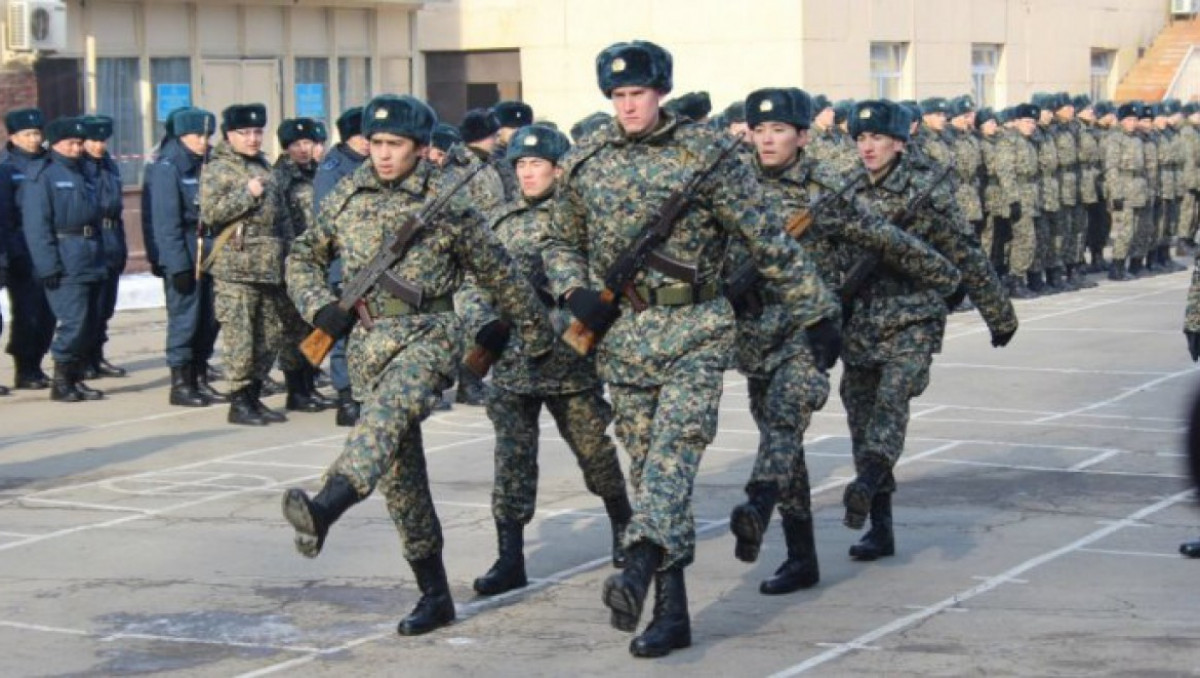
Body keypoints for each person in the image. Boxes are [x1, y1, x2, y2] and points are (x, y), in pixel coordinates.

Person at [540, 40, 839, 658]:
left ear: (661, 93)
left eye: (638, 94)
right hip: (622, 339)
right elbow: (558, 242)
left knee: (676, 451)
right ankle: (671, 613)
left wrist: (816, 314)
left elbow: (768, 242)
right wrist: (574, 292)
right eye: (618, 96)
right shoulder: (588, 158)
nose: (627, 106)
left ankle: (639, 562)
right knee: (651, 471)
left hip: (697, 328)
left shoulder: (707, 156)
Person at [281, 94, 554, 636]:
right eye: (376, 143)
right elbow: (303, 256)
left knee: (385, 417)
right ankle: (433, 593)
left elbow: (499, 273)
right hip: (368, 344)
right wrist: (321, 308)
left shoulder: (445, 202)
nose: (382, 155)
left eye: (395, 145)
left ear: (420, 148)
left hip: (431, 335)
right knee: (402, 478)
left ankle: (329, 503)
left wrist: (536, 333)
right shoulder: (347, 194)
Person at [726, 87, 961, 595]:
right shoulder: (734, 186)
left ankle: (765, 507)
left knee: (783, 427)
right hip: (754, 337)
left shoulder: (824, 192)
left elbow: (884, 238)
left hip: (807, 334)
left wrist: (945, 275)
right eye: (759, 129)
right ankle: (801, 555)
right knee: (782, 443)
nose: (767, 139)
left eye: (779, 130)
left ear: (803, 136)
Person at [841, 99, 1018, 561]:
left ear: (899, 142)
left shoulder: (927, 188)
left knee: (892, 398)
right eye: (861, 138)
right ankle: (879, 525)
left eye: (877, 138)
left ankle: (868, 476)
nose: (868, 147)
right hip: (860, 320)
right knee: (860, 414)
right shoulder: (847, 188)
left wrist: (997, 313)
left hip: (913, 315)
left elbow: (964, 253)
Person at [461, 123, 633, 596]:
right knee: (512, 463)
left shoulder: (579, 219)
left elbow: (603, 285)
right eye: (520, 164)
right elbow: (473, 284)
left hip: (570, 362)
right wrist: (482, 326)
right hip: (513, 364)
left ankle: (623, 525)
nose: (528, 173)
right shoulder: (496, 221)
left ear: (560, 169)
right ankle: (509, 558)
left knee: (595, 452)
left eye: (537, 164)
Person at [201, 103, 289, 426]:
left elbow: (281, 216)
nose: (253, 138)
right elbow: (211, 213)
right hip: (236, 268)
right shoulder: (219, 169)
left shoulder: (264, 165)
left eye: (257, 132)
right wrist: (246, 194)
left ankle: (254, 394)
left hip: (269, 266)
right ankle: (239, 402)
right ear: (229, 135)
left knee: (268, 335)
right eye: (245, 133)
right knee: (240, 336)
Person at [22, 117, 105, 402]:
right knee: (74, 322)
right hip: (65, 256)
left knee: (90, 322)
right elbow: (37, 226)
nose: (76, 148)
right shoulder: (43, 175)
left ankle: (76, 376)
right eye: (71, 142)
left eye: (79, 143)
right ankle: (62, 380)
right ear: (54, 143)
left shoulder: (83, 172)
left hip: (89, 255)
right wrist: (47, 265)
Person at [148, 107, 225, 407]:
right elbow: (165, 223)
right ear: (181, 136)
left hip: (212, 249)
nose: (203, 141)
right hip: (186, 249)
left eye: (207, 135)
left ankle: (200, 376)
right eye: (197, 135)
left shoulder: (211, 162)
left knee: (210, 319)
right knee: (186, 319)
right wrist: (176, 264)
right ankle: (181, 383)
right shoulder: (169, 167)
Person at [272, 116, 333, 414]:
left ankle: (309, 385)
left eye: (307, 142)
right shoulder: (281, 179)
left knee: (314, 326)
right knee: (293, 331)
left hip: (318, 261)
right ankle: (296, 391)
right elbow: (281, 224)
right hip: (293, 261)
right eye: (296, 144)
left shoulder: (317, 174)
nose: (303, 149)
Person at [315, 106, 369, 426]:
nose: (367, 143)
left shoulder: (371, 163)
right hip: (343, 262)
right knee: (343, 330)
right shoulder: (333, 168)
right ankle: (345, 394)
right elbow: (328, 221)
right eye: (360, 137)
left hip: (372, 262)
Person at [1, 107, 55, 390]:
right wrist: (15, 254)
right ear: (13, 136)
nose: (34, 139)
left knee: (49, 312)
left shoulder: (49, 163)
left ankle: (37, 362)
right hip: (22, 250)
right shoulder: (7, 167)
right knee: (27, 312)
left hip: (48, 248)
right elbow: (6, 217)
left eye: (37, 133)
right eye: (27, 134)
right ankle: (25, 367)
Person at [80, 115, 129, 379]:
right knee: (90, 307)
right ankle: (84, 358)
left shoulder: (109, 165)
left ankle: (97, 355)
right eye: (93, 140)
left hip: (112, 238)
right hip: (93, 238)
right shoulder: (79, 167)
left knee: (106, 307)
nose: (98, 146)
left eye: (102, 141)